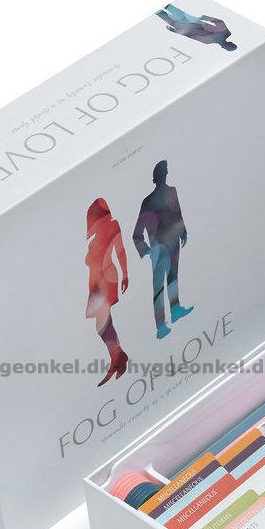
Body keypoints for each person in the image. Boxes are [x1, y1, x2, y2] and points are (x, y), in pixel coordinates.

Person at [132, 160, 194, 340]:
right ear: (157, 177)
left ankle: (175, 310)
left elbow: (178, 213)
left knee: (173, 278)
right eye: (162, 172)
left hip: (173, 243)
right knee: (159, 287)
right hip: (159, 248)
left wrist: (183, 231)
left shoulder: (171, 192)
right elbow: (136, 232)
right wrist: (146, 250)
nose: (165, 175)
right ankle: (160, 326)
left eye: (165, 172)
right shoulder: (148, 201)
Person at [84, 198, 129, 386]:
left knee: (102, 324)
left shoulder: (112, 227)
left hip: (105, 280)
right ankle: (118, 357)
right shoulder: (96, 239)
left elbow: (120, 251)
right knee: (103, 323)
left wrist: (125, 275)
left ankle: (118, 358)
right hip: (96, 284)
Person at [156, 4, 237, 51]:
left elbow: (190, 36)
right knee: (169, 7)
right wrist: (203, 17)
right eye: (227, 47)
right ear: (230, 43)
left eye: (226, 48)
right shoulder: (225, 33)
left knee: (160, 13)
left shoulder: (208, 42)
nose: (224, 47)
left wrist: (174, 30)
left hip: (181, 26)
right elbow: (219, 22)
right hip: (190, 20)